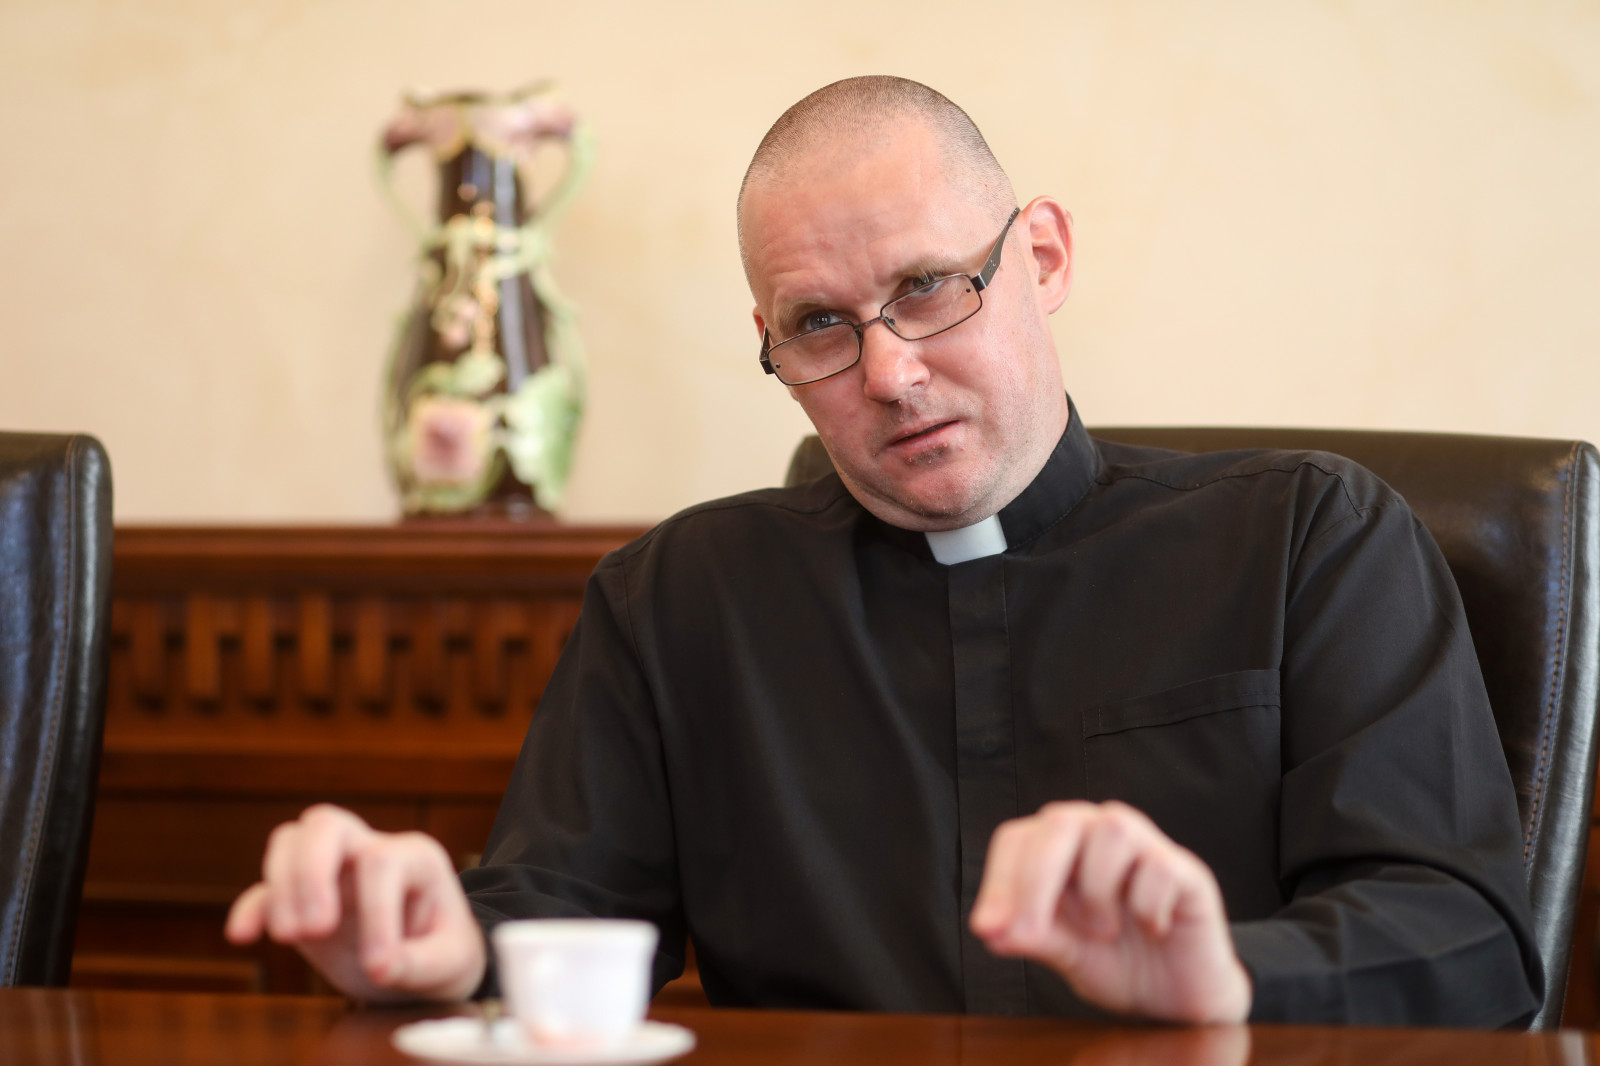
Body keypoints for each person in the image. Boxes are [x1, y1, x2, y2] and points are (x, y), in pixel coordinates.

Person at [226, 77, 1541, 1026]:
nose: (891, 374)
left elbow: (1468, 939)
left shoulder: (1311, 535)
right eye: (818, 325)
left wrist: (1228, 976)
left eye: (927, 287)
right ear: (771, 343)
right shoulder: (676, 600)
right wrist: (442, 940)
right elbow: (557, 918)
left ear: (1041, 257)